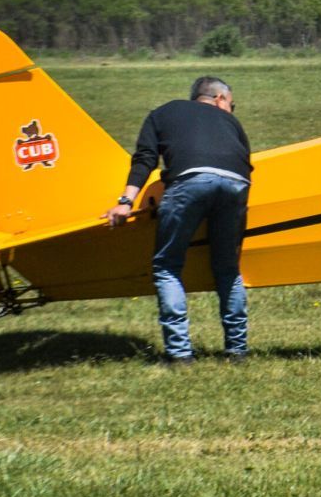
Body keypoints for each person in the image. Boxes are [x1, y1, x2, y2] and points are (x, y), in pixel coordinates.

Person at [104, 76, 253, 365]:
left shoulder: (163, 113)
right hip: (237, 184)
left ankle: (180, 354)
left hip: (189, 182)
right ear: (220, 99)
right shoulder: (231, 123)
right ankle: (237, 351)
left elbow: (145, 159)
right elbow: (244, 161)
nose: (232, 109)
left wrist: (125, 202)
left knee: (167, 266)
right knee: (227, 269)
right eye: (232, 104)